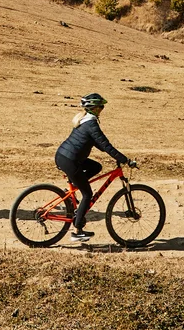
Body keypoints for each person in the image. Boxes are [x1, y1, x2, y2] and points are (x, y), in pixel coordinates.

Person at [55, 92, 134, 242]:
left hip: (64, 157)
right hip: (70, 160)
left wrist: (116, 156)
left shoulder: (84, 121)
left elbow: (99, 144)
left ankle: (74, 185)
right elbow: (106, 145)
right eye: (101, 107)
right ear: (94, 108)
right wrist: (125, 159)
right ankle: (77, 231)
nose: (102, 109)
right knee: (87, 194)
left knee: (96, 167)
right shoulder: (91, 124)